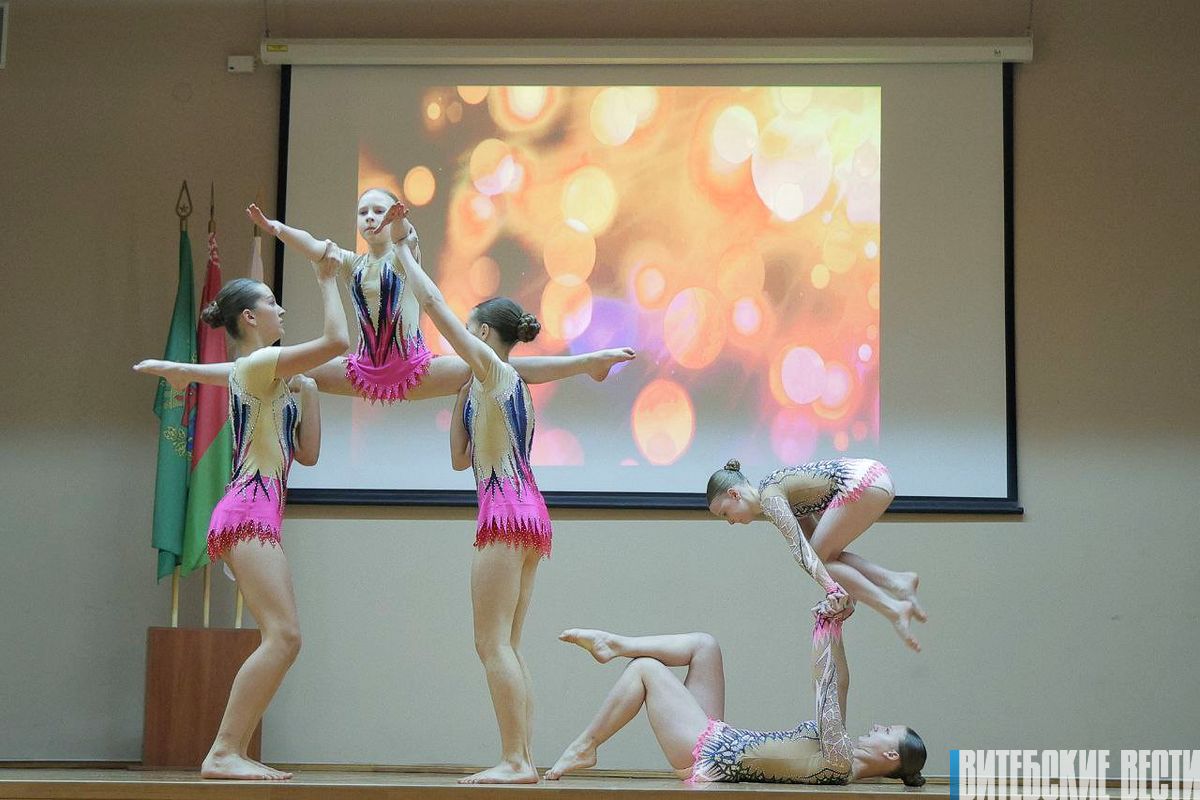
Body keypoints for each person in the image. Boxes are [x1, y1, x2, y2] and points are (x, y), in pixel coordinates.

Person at [133, 255, 349, 780]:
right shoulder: (259, 365)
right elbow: (337, 342)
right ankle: (224, 751)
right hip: (246, 513)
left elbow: (309, 453)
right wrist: (327, 280)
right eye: (272, 302)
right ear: (249, 318)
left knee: (283, 637)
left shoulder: (260, 371)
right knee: (284, 636)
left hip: (258, 516)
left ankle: (230, 750)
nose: (281, 309)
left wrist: (310, 392)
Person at [246, 191, 633, 404]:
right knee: (278, 369)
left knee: (500, 369)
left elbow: (404, 235)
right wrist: (276, 227)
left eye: (378, 210)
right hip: (362, 369)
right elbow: (315, 247)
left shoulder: (403, 257)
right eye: (363, 212)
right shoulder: (351, 263)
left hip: (415, 369)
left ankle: (589, 363)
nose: (370, 217)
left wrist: (399, 219)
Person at [545, 610, 927, 786]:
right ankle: (615, 644)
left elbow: (827, 687)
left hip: (708, 756)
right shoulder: (839, 749)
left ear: (890, 756)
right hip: (722, 737)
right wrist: (834, 627)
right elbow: (840, 684)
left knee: (645, 669)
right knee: (704, 645)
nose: (878, 726)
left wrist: (823, 627)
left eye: (887, 731)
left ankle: (586, 746)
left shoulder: (840, 762)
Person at [707, 458, 925, 650]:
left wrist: (833, 589)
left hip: (862, 482)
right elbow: (814, 550)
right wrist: (841, 590)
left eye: (725, 513)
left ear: (734, 494)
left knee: (818, 557)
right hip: (875, 479)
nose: (730, 522)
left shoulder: (770, 497)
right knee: (823, 556)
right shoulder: (775, 495)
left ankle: (893, 608)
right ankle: (898, 582)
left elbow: (801, 551)